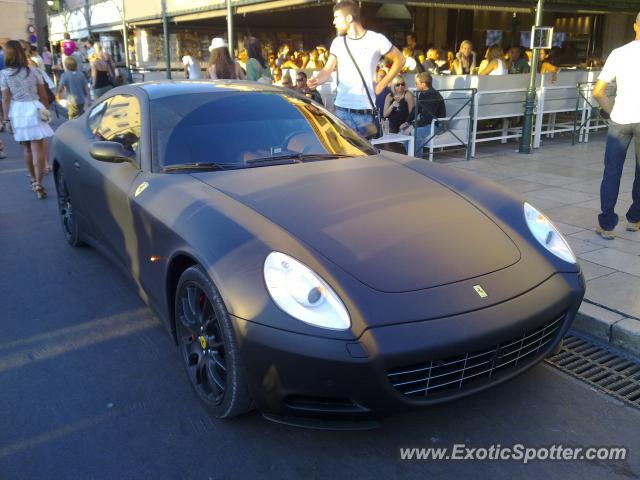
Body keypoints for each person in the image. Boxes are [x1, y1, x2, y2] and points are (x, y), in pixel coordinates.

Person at [307, 0, 404, 132]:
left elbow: (400, 59)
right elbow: (327, 69)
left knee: (363, 152)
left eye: (336, 17)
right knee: (343, 152)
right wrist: (316, 80)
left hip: (365, 112)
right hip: (341, 110)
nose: (333, 22)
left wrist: (382, 84)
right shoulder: (338, 42)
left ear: (349, 18)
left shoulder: (376, 39)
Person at [592, 12, 640, 239]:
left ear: (634, 26)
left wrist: (612, 111)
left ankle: (607, 224)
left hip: (620, 119)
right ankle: (634, 219)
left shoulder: (619, 54)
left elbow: (598, 92)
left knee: (612, 172)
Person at [0, 40, 54, 199]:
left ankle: (32, 179)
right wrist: (45, 110)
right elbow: (44, 95)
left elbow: (6, 99)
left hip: (18, 111)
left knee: (27, 149)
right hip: (35, 108)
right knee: (38, 147)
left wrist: (6, 120)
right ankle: (39, 182)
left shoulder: (4, 75)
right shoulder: (34, 71)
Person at [411, 71, 446, 157]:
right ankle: (410, 155)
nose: (415, 85)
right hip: (428, 123)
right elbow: (416, 109)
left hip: (437, 125)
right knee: (403, 130)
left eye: (416, 83)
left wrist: (413, 125)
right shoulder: (423, 93)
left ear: (423, 84)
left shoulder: (433, 96)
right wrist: (407, 122)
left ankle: (417, 159)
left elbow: (428, 118)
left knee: (416, 132)